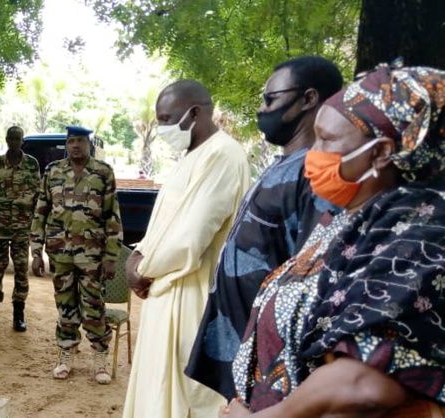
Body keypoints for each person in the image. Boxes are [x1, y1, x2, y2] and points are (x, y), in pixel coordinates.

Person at [224, 64, 444, 418]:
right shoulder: (347, 219)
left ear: (381, 152)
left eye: (327, 140)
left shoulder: (420, 233)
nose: (314, 152)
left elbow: (366, 384)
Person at [185, 56, 343, 399]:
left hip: (273, 364)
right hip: (245, 346)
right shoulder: (285, 164)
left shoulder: (318, 173)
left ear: (309, 99)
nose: (262, 109)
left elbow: (313, 276)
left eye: (270, 99)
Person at [123, 80, 251, 417]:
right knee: (156, 392)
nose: (162, 128)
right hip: (164, 290)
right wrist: (137, 255)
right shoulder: (190, 155)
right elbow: (163, 225)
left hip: (192, 293)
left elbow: (190, 237)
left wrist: (141, 269)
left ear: (194, 112)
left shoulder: (223, 154)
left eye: (167, 119)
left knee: (183, 397)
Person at [30, 125, 123, 385]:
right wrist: (36, 251)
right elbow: (41, 211)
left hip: (92, 254)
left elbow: (112, 216)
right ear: (66, 144)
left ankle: (99, 355)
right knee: (65, 304)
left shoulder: (103, 172)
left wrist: (111, 256)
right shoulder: (53, 171)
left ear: (88, 144)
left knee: (93, 305)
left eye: (80, 141)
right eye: (71, 141)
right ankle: (66, 352)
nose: (75, 146)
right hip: (60, 252)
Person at [0, 126, 40, 332]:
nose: (14, 141)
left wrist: (35, 227)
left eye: (17, 138)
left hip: (22, 227)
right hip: (0, 227)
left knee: (21, 271)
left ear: (22, 140)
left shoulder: (31, 164)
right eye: (11, 138)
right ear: (6, 139)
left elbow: (37, 197)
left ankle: (18, 315)